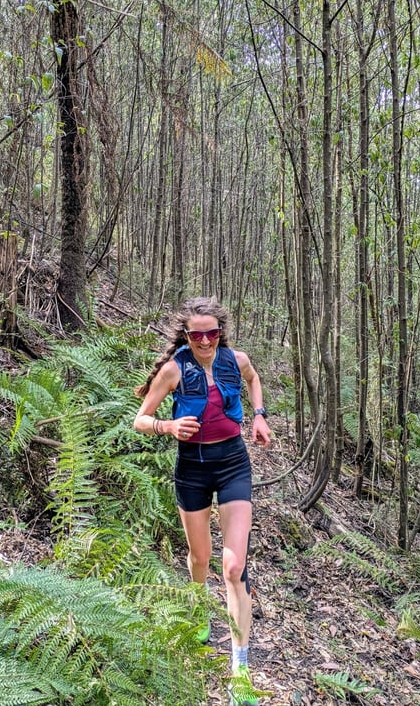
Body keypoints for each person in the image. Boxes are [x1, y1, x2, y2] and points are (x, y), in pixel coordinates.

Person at [134, 296, 271, 706]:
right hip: (192, 469)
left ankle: (240, 671)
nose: (206, 341)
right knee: (200, 558)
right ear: (187, 336)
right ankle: (197, 611)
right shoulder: (173, 370)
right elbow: (140, 419)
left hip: (233, 464)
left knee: (233, 567)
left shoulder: (236, 360)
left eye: (212, 333)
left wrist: (259, 415)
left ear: (221, 333)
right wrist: (168, 425)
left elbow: (254, 379)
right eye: (197, 335)